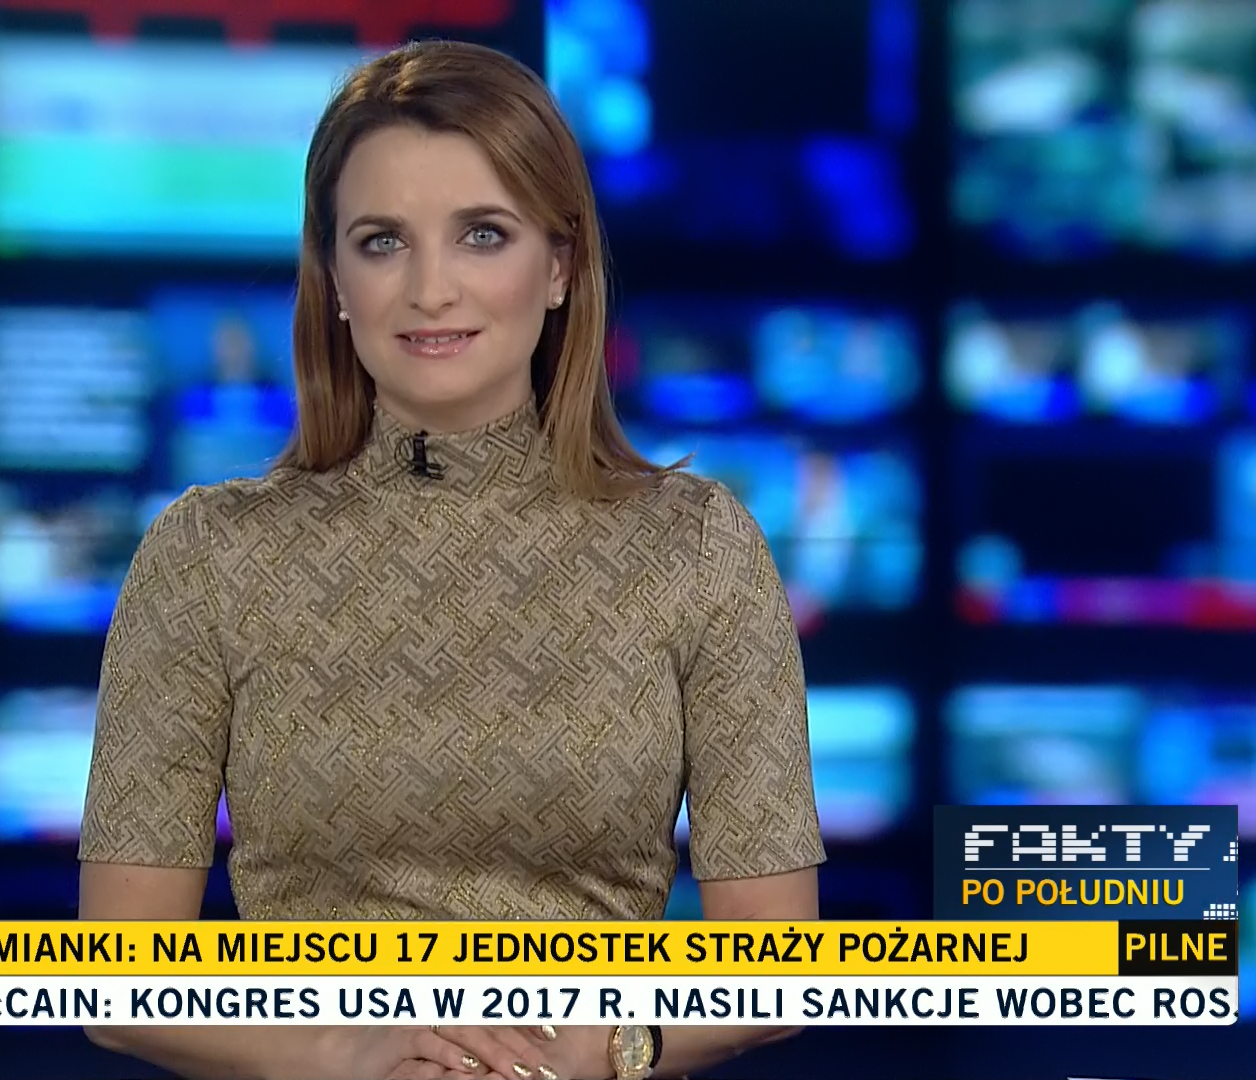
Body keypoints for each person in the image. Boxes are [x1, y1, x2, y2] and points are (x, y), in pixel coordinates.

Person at [79, 39, 824, 1080]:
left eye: (483, 234)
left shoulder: (697, 548)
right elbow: (115, 979)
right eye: (382, 241)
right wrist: (347, 1052)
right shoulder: (206, 557)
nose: (431, 289)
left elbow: (777, 966)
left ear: (558, 266)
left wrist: (601, 1047)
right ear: (334, 279)